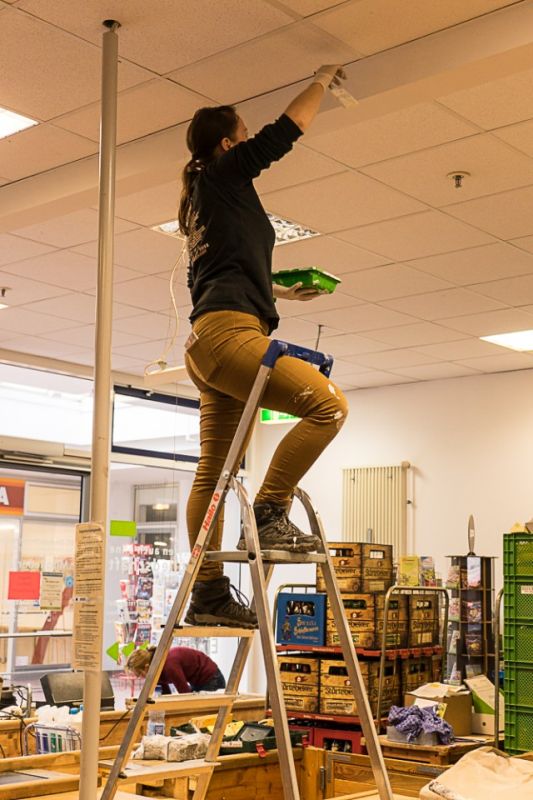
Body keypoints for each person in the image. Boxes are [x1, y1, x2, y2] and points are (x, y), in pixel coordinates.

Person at [179, 65, 349, 629]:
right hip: (230, 337)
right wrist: (321, 79)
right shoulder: (222, 174)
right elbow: (284, 132)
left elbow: (222, 272)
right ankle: (272, 509)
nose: (249, 137)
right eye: (242, 132)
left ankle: (208, 593)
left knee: (214, 471)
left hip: (209, 341)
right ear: (228, 145)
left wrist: (278, 291)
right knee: (328, 406)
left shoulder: (203, 198)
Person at [126, 645, 225, 694]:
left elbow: (185, 694)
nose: (141, 678)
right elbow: (165, 694)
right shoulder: (157, 668)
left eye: (139, 674)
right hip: (198, 681)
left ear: (147, 667)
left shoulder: (169, 664)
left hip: (212, 678)